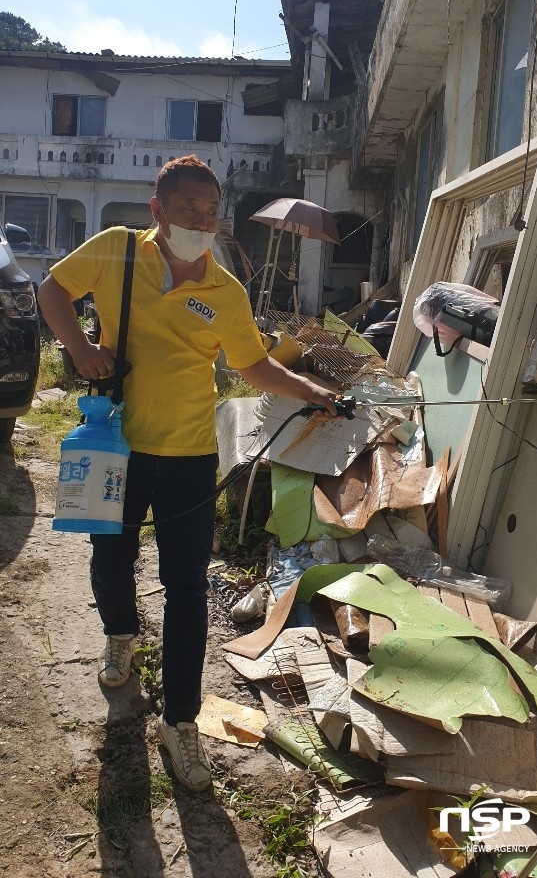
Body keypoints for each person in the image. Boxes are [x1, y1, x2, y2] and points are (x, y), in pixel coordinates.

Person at [38, 155, 336, 793]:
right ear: (157, 211)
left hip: (189, 458)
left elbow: (251, 365)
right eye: (188, 211)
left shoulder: (225, 292)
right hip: (115, 447)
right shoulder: (117, 252)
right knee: (111, 562)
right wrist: (82, 350)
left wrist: (309, 389)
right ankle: (119, 634)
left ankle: (181, 721)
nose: (203, 222)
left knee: (186, 589)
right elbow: (52, 291)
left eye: (211, 211)